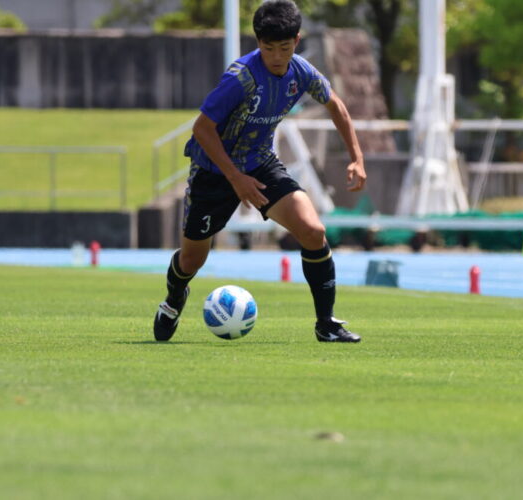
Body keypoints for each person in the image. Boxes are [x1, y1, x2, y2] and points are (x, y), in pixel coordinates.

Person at [153, 0, 366, 343]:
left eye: (284, 47)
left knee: (313, 231)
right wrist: (236, 180)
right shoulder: (241, 78)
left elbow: (336, 105)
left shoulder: (302, 72)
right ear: (258, 43)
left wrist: (357, 157)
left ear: (296, 41)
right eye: (269, 48)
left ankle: (326, 323)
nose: (277, 56)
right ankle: (174, 299)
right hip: (213, 173)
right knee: (192, 260)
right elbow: (202, 129)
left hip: (261, 163)